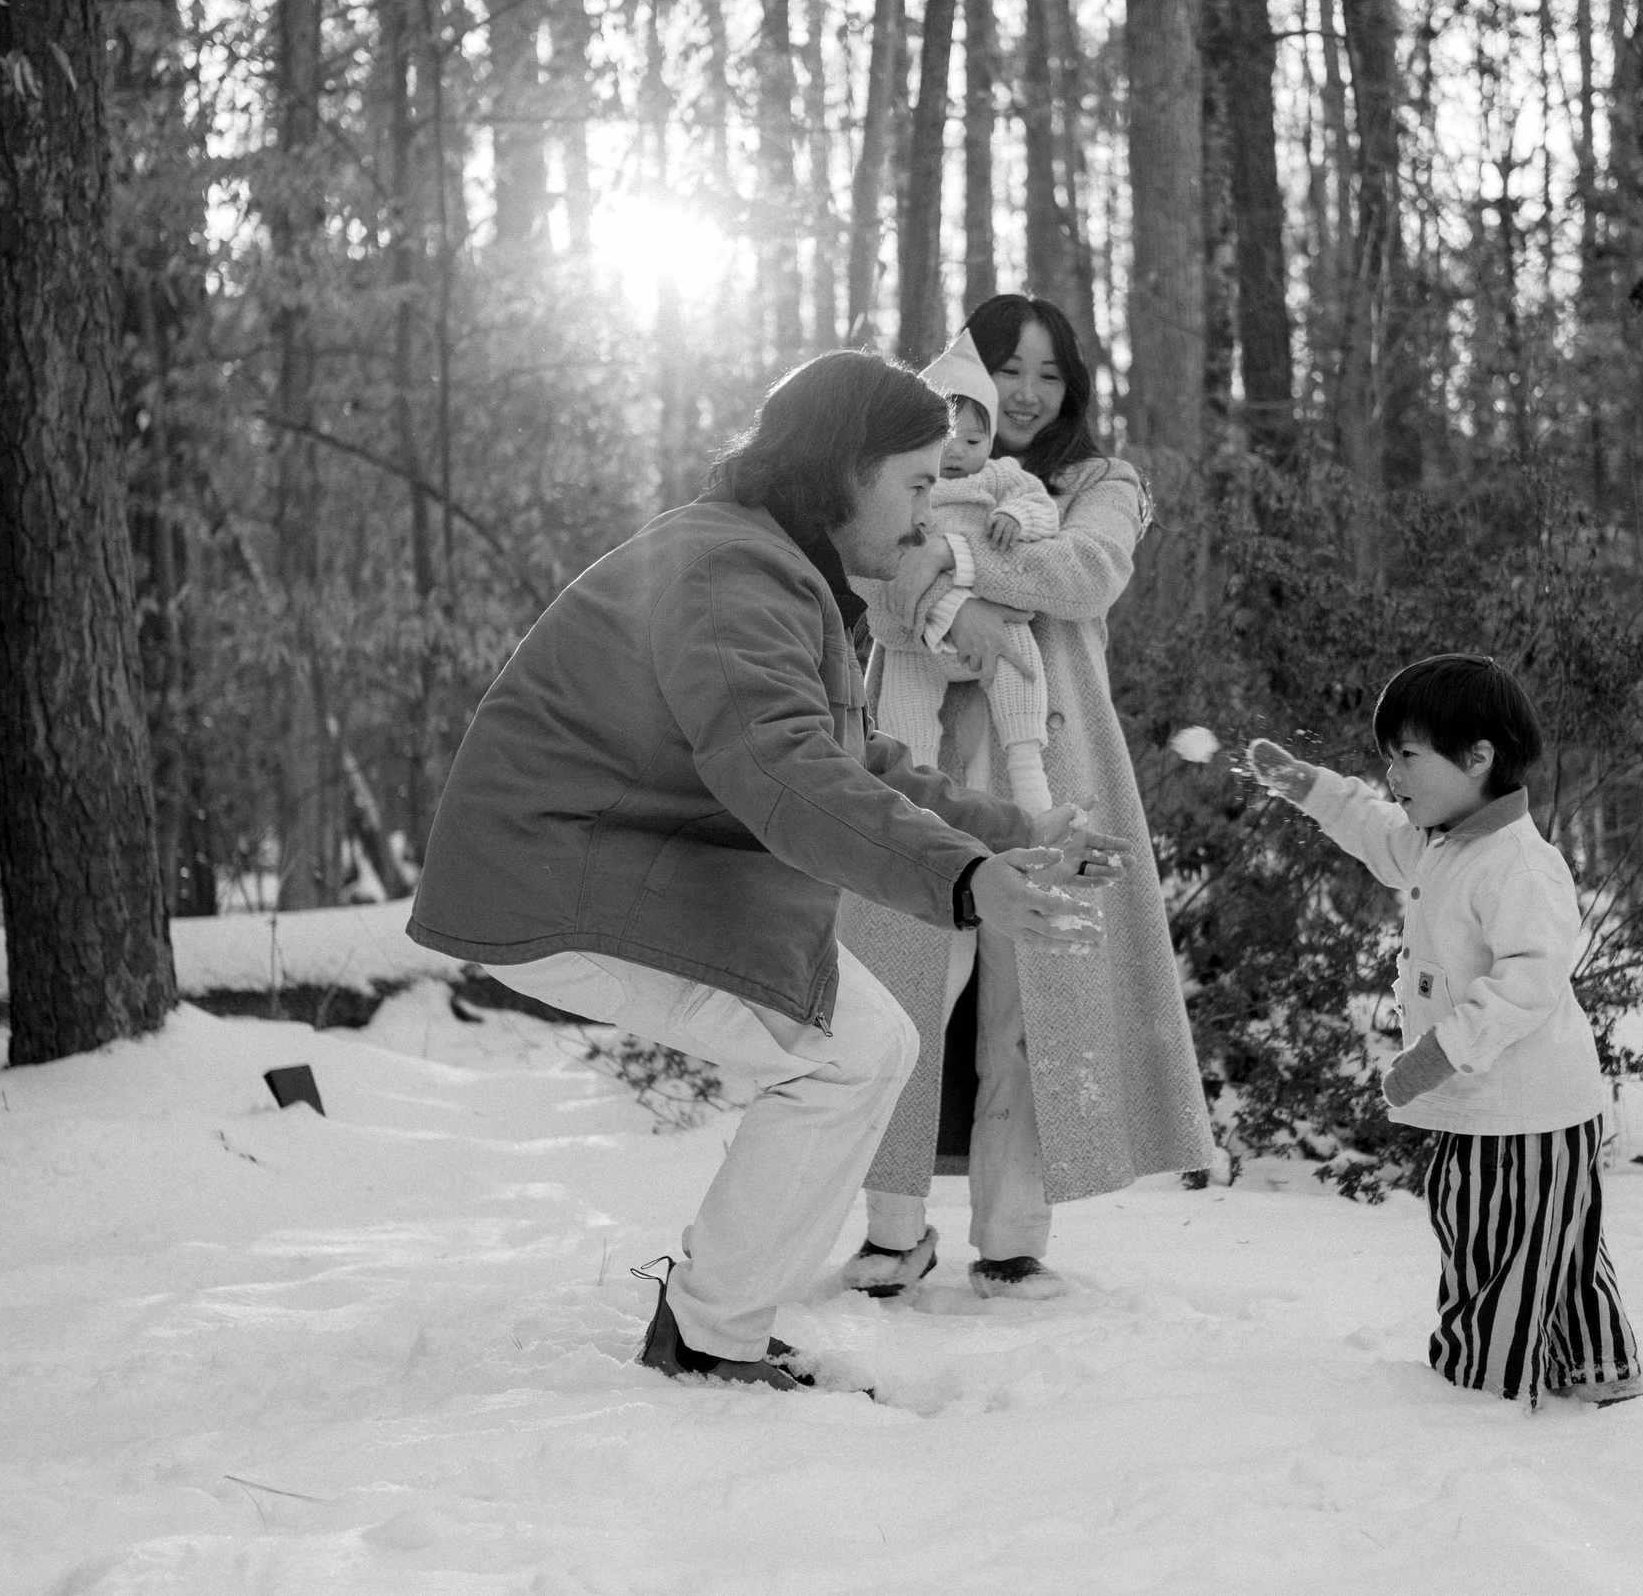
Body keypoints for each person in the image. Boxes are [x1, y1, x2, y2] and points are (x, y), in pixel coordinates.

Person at [406, 351, 1132, 1391]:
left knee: (865, 1046)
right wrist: (965, 881)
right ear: (848, 468)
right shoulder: (731, 572)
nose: (930, 520)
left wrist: (1010, 835)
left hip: (611, 866)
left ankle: (716, 1320)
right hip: (559, 876)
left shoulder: (767, 566)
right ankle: (712, 1335)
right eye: (918, 483)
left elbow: (849, 763)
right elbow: (780, 770)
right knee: (848, 1054)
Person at [838, 294, 1214, 1303]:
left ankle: (1011, 1237)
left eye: (1049, 374)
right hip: (917, 758)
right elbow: (872, 562)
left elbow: (1086, 573)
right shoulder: (911, 464)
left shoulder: (1106, 481)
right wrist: (925, 561)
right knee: (908, 982)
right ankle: (890, 1231)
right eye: (1009, 367)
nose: (1026, 393)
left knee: (1030, 999)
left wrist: (951, 558)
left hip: (1051, 763)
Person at [1246, 655, 1643, 1409]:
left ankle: (1481, 1386)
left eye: (1407, 754)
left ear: (1478, 758)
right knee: (1543, 1238)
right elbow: (1375, 830)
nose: (1392, 773)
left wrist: (1439, 1052)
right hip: (1492, 1104)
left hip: (1527, 1107)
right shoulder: (1441, 839)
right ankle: (1596, 1365)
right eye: (1386, 755)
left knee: (1504, 1248)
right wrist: (1313, 788)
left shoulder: (1519, 864)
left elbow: (1529, 981)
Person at [875, 329, 1062, 814]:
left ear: (992, 439)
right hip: (917, 627)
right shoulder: (906, 481)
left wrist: (1017, 517)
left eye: (972, 439)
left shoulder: (1001, 477)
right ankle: (913, 797)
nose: (956, 451)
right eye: (944, 439)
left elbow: (1045, 511)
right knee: (905, 696)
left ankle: (1029, 779)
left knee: (1019, 663)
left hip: (993, 621)